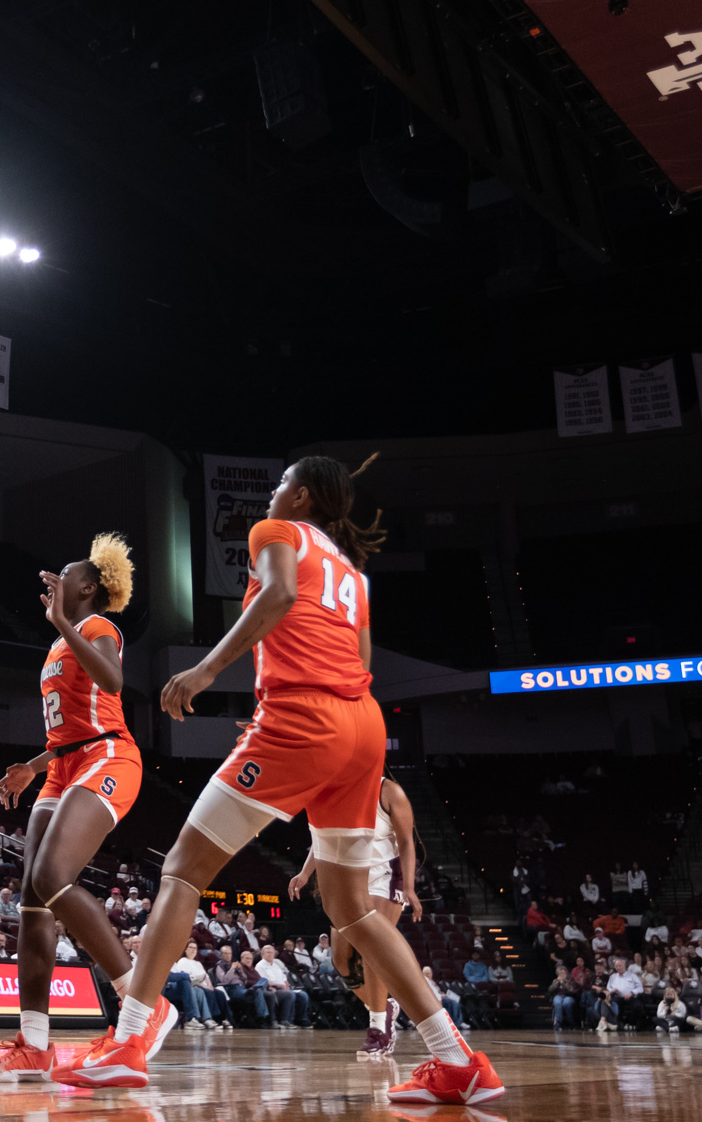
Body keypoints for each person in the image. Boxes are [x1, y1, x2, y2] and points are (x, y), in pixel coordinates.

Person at [54, 456, 502, 1103]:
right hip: (363, 726)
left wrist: (208, 670)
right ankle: (457, 1059)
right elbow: (362, 659)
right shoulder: (354, 572)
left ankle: (126, 1041)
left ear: (303, 496)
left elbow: (282, 594)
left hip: (304, 719)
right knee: (353, 910)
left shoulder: (276, 533)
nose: (271, 492)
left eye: (281, 482)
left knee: (182, 867)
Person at [0, 535, 172, 1083]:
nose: (54, 581)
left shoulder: (96, 629)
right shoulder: (61, 643)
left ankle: (140, 999)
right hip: (63, 766)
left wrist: (63, 622)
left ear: (87, 587)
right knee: (33, 902)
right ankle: (35, 1045)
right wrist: (32, 767)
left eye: (64, 575)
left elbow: (113, 682)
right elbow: (68, 728)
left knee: (53, 875)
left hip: (108, 757)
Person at [290, 774, 422, 1060]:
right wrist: (305, 872)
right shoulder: (337, 788)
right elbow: (322, 837)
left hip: (386, 874)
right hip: (352, 876)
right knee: (340, 958)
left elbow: (407, 842)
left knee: (371, 948)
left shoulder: (389, 791)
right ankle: (383, 1008)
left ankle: (378, 1030)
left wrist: (410, 886)